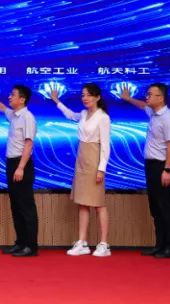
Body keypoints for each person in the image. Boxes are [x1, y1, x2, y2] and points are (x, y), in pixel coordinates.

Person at [119, 83, 170, 258]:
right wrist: (128, 99)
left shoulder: (169, 118)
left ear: (161, 98)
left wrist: (167, 169)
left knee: (166, 208)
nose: (147, 97)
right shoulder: (153, 113)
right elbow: (142, 105)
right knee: (156, 208)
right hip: (151, 166)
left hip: (163, 167)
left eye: (150, 94)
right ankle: (160, 245)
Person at [0, 83, 39, 257]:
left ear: (22, 99)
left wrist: (21, 167)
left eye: (13, 95)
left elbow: (28, 144)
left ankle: (31, 246)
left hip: (21, 164)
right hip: (12, 163)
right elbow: (2, 108)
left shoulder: (27, 118)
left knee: (26, 207)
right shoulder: (14, 115)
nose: (9, 97)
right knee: (16, 205)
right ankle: (20, 243)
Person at [52, 83, 112, 257]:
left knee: (98, 203)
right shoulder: (84, 114)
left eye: (89, 95)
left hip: (94, 159)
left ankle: (104, 244)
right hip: (81, 159)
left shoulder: (103, 117)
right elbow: (71, 115)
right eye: (83, 95)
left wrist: (101, 169)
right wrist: (57, 101)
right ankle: (82, 242)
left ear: (97, 97)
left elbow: (105, 146)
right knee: (83, 202)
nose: (85, 98)